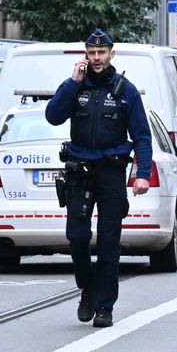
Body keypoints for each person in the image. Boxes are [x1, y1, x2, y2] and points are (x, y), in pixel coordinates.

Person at [45, 27, 153, 328]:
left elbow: (142, 137)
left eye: (101, 53)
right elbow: (53, 116)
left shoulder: (125, 90)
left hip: (111, 172)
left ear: (111, 54)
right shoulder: (76, 87)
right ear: (86, 55)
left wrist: (141, 174)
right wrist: (71, 83)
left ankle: (105, 305)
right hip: (80, 171)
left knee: (108, 242)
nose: (96, 58)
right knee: (76, 238)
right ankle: (88, 289)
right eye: (91, 53)